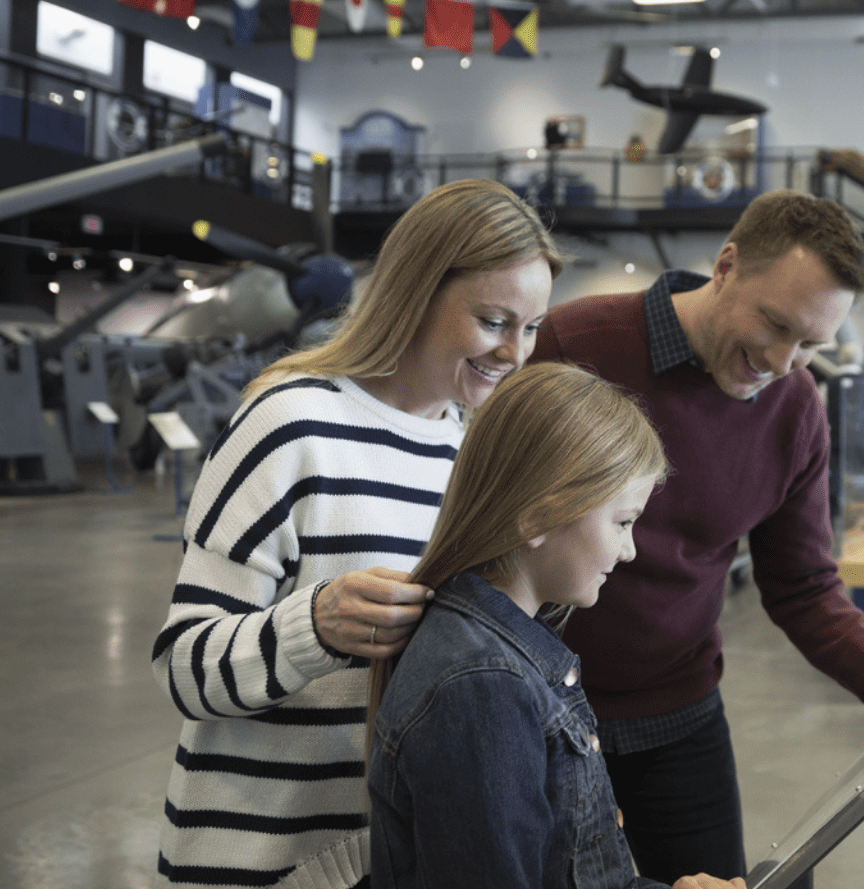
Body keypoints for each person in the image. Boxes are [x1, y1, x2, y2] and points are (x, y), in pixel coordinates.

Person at [152, 178, 563, 889]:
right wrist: (316, 624)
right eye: (494, 321)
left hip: (381, 862)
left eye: (529, 328)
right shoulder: (290, 426)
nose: (513, 353)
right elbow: (184, 669)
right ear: (416, 292)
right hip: (254, 860)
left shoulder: (467, 453)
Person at [529, 189, 864, 883]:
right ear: (726, 265)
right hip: (538, 710)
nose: (782, 361)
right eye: (775, 324)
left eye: (812, 344)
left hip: (678, 711)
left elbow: (801, 579)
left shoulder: (795, 406)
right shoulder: (574, 345)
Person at [365, 363, 742, 889]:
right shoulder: (484, 685)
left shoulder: (506, 656)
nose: (630, 549)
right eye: (622, 522)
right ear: (540, 518)